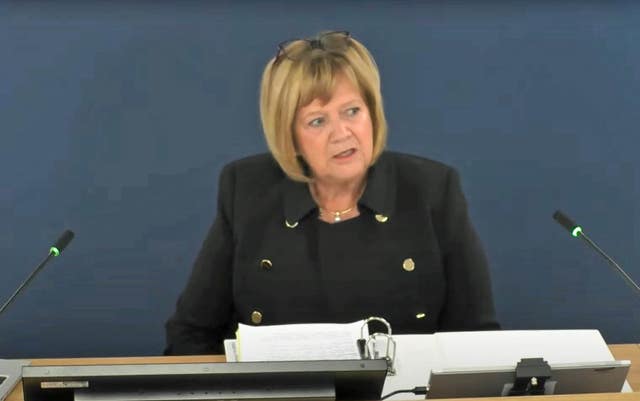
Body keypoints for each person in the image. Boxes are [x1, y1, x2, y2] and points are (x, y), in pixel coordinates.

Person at [165, 31, 499, 355]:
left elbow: (476, 341)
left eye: (352, 111)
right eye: (317, 121)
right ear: (289, 136)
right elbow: (191, 334)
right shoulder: (247, 190)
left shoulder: (432, 190)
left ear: (372, 113)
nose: (341, 133)